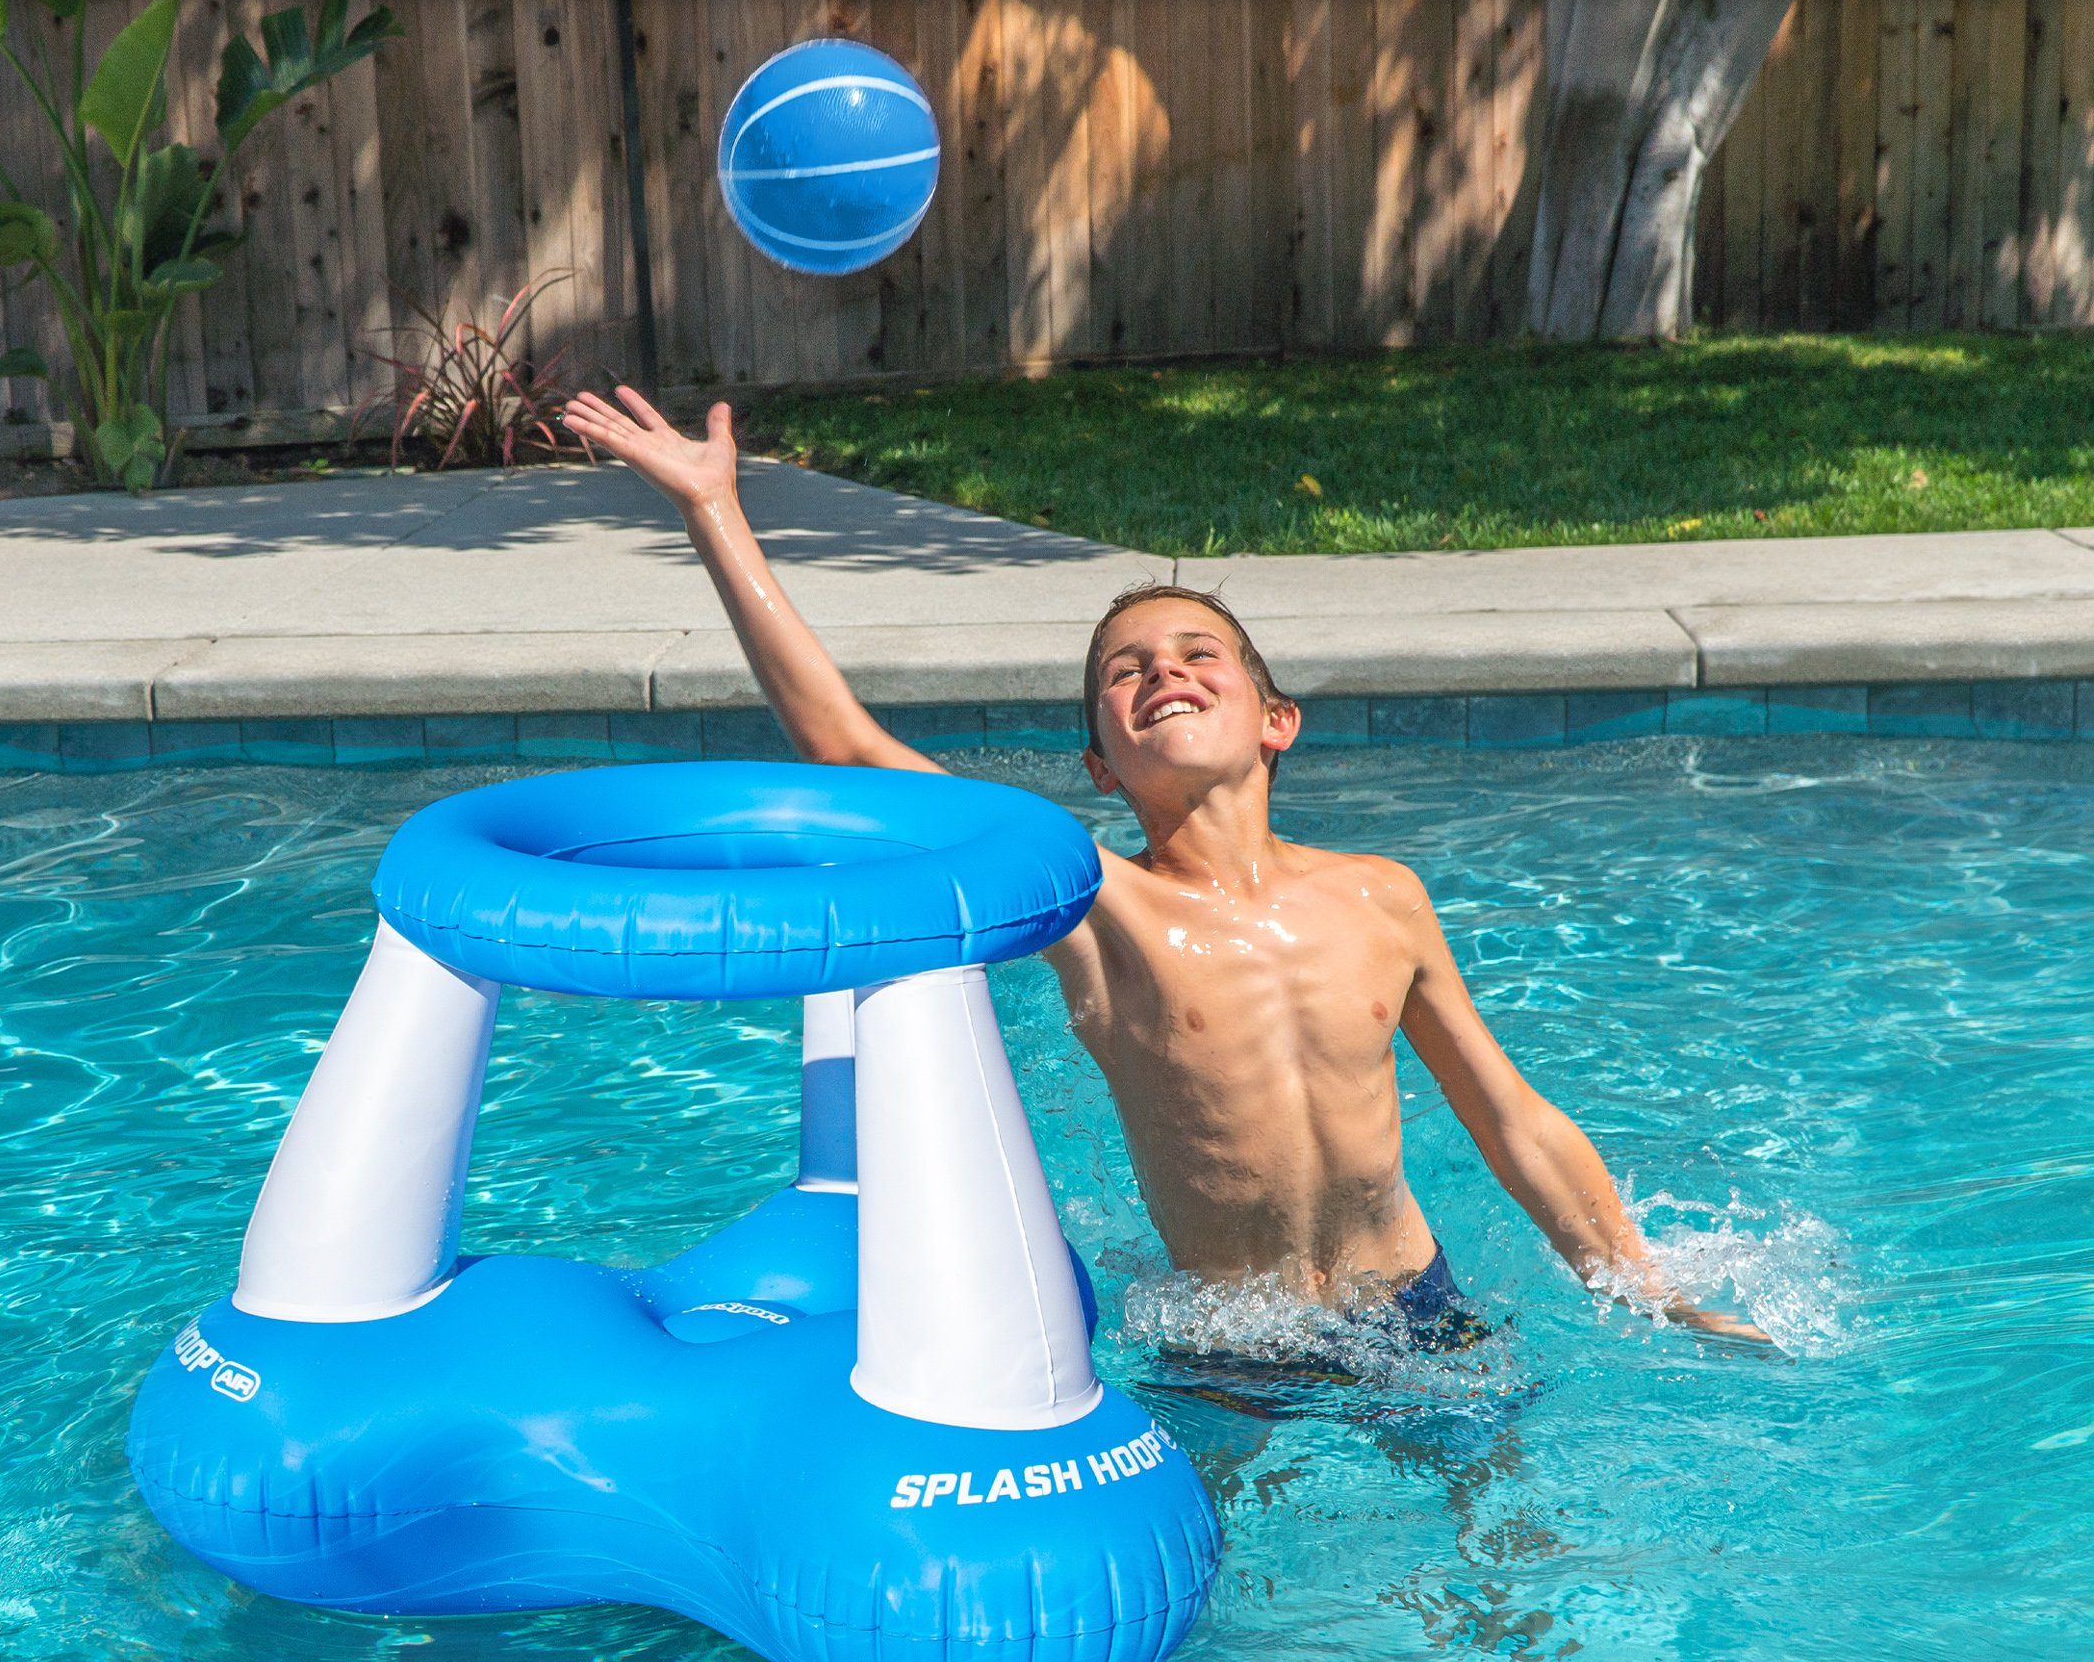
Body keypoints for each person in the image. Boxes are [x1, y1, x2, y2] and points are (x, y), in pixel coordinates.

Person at [559, 386, 1769, 1353]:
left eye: (1199, 653)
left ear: (1277, 720)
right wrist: (714, 510)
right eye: (1126, 671)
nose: (1163, 673)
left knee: (1509, 1549)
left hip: (1413, 1306)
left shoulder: (1380, 897)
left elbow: (1510, 1116)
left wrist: (1645, 1289)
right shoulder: (1099, 904)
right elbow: (849, 750)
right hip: (1228, 1337)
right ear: (1099, 762)